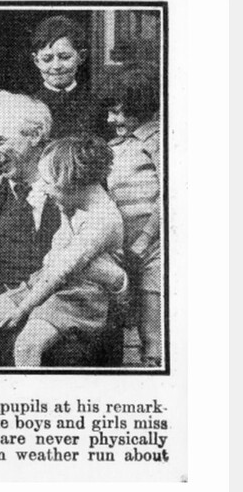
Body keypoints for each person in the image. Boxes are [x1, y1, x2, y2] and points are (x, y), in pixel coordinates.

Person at [0, 91, 122, 367]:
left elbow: (118, 272)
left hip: (63, 331)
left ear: (35, 135)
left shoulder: (82, 192)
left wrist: (117, 282)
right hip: (0, 328)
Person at [105, 64, 163, 366]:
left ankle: (154, 365)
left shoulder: (156, 140)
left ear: (141, 107)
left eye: (118, 112)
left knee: (152, 322)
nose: (110, 119)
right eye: (110, 111)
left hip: (152, 246)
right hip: (123, 246)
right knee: (125, 316)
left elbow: (171, 194)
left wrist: (145, 239)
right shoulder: (116, 145)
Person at [30, 15, 113, 141]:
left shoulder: (97, 106)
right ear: (36, 61)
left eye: (65, 57)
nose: (56, 66)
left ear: (81, 56)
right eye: (47, 59)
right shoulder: (28, 107)